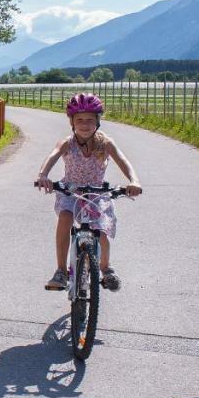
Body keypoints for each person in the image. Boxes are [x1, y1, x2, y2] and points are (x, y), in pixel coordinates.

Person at [35, 93, 142, 292]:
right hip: (71, 192)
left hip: (97, 193)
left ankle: (106, 269)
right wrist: (43, 175)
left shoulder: (105, 142)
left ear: (98, 122)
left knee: (99, 231)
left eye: (90, 120)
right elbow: (52, 157)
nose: (85, 124)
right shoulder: (67, 143)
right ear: (72, 122)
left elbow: (124, 162)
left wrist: (133, 181)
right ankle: (60, 271)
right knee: (65, 218)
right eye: (80, 120)